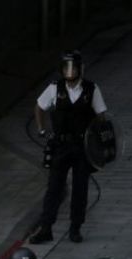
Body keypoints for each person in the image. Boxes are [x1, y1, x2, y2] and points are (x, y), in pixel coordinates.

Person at [31, 50, 109, 245]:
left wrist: (100, 143)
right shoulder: (54, 88)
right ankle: (46, 227)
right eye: (67, 67)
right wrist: (42, 130)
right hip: (61, 145)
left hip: (82, 146)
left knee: (80, 189)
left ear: (80, 69)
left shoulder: (91, 89)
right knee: (54, 188)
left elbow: (102, 117)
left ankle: (75, 227)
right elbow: (39, 107)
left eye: (73, 67)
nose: (70, 71)